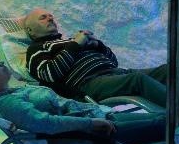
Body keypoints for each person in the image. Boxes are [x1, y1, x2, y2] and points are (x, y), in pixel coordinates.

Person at [0, 50, 165, 144]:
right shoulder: (7, 103)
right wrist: (91, 124)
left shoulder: (13, 92)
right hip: (95, 138)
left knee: (165, 120)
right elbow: (44, 123)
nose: (1, 62)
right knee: (165, 124)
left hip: (100, 122)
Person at [20, 8, 168, 106]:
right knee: (137, 79)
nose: (50, 19)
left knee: (168, 70)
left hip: (115, 73)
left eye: (51, 16)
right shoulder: (36, 49)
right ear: (30, 30)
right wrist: (76, 44)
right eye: (43, 18)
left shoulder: (70, 41)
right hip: (88, 83)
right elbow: (50, 74)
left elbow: (113, 62)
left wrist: (97, 45)